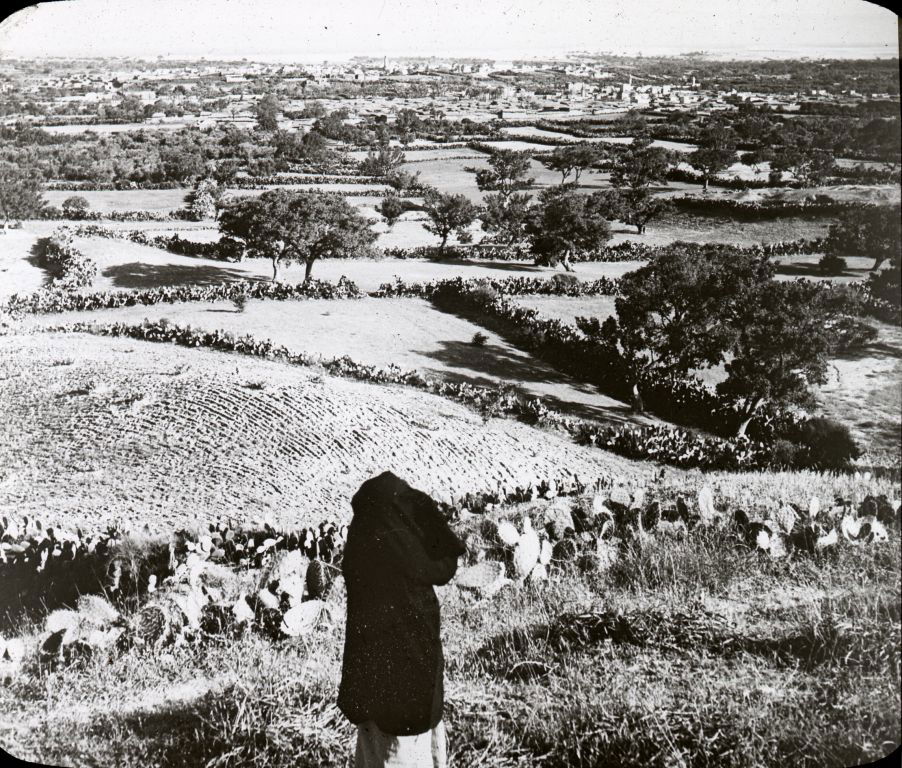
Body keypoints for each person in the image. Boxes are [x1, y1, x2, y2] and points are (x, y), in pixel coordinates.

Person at [338, 471, 466, 768]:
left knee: (382, 750)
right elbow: (444, 563)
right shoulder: (411, 555)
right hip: (413, 688)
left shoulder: (368, 532)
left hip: (375, 686)